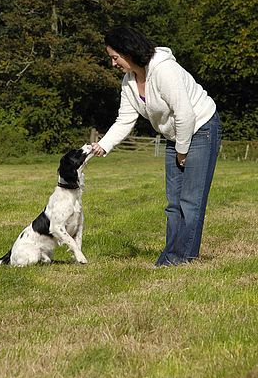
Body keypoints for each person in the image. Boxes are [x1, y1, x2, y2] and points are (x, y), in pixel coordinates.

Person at [91, 26, 222, 267]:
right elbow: (124, 119)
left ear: (128, 52)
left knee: (191, 201)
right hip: (176, 135)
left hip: (201, 129)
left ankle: (182, 259)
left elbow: (185, 114)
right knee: (174, 204)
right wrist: (103, 145)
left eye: (114, 57)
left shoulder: (164, 69)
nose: (113, 63)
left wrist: (182, 151)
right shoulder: (129, 82)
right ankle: (172, 256)